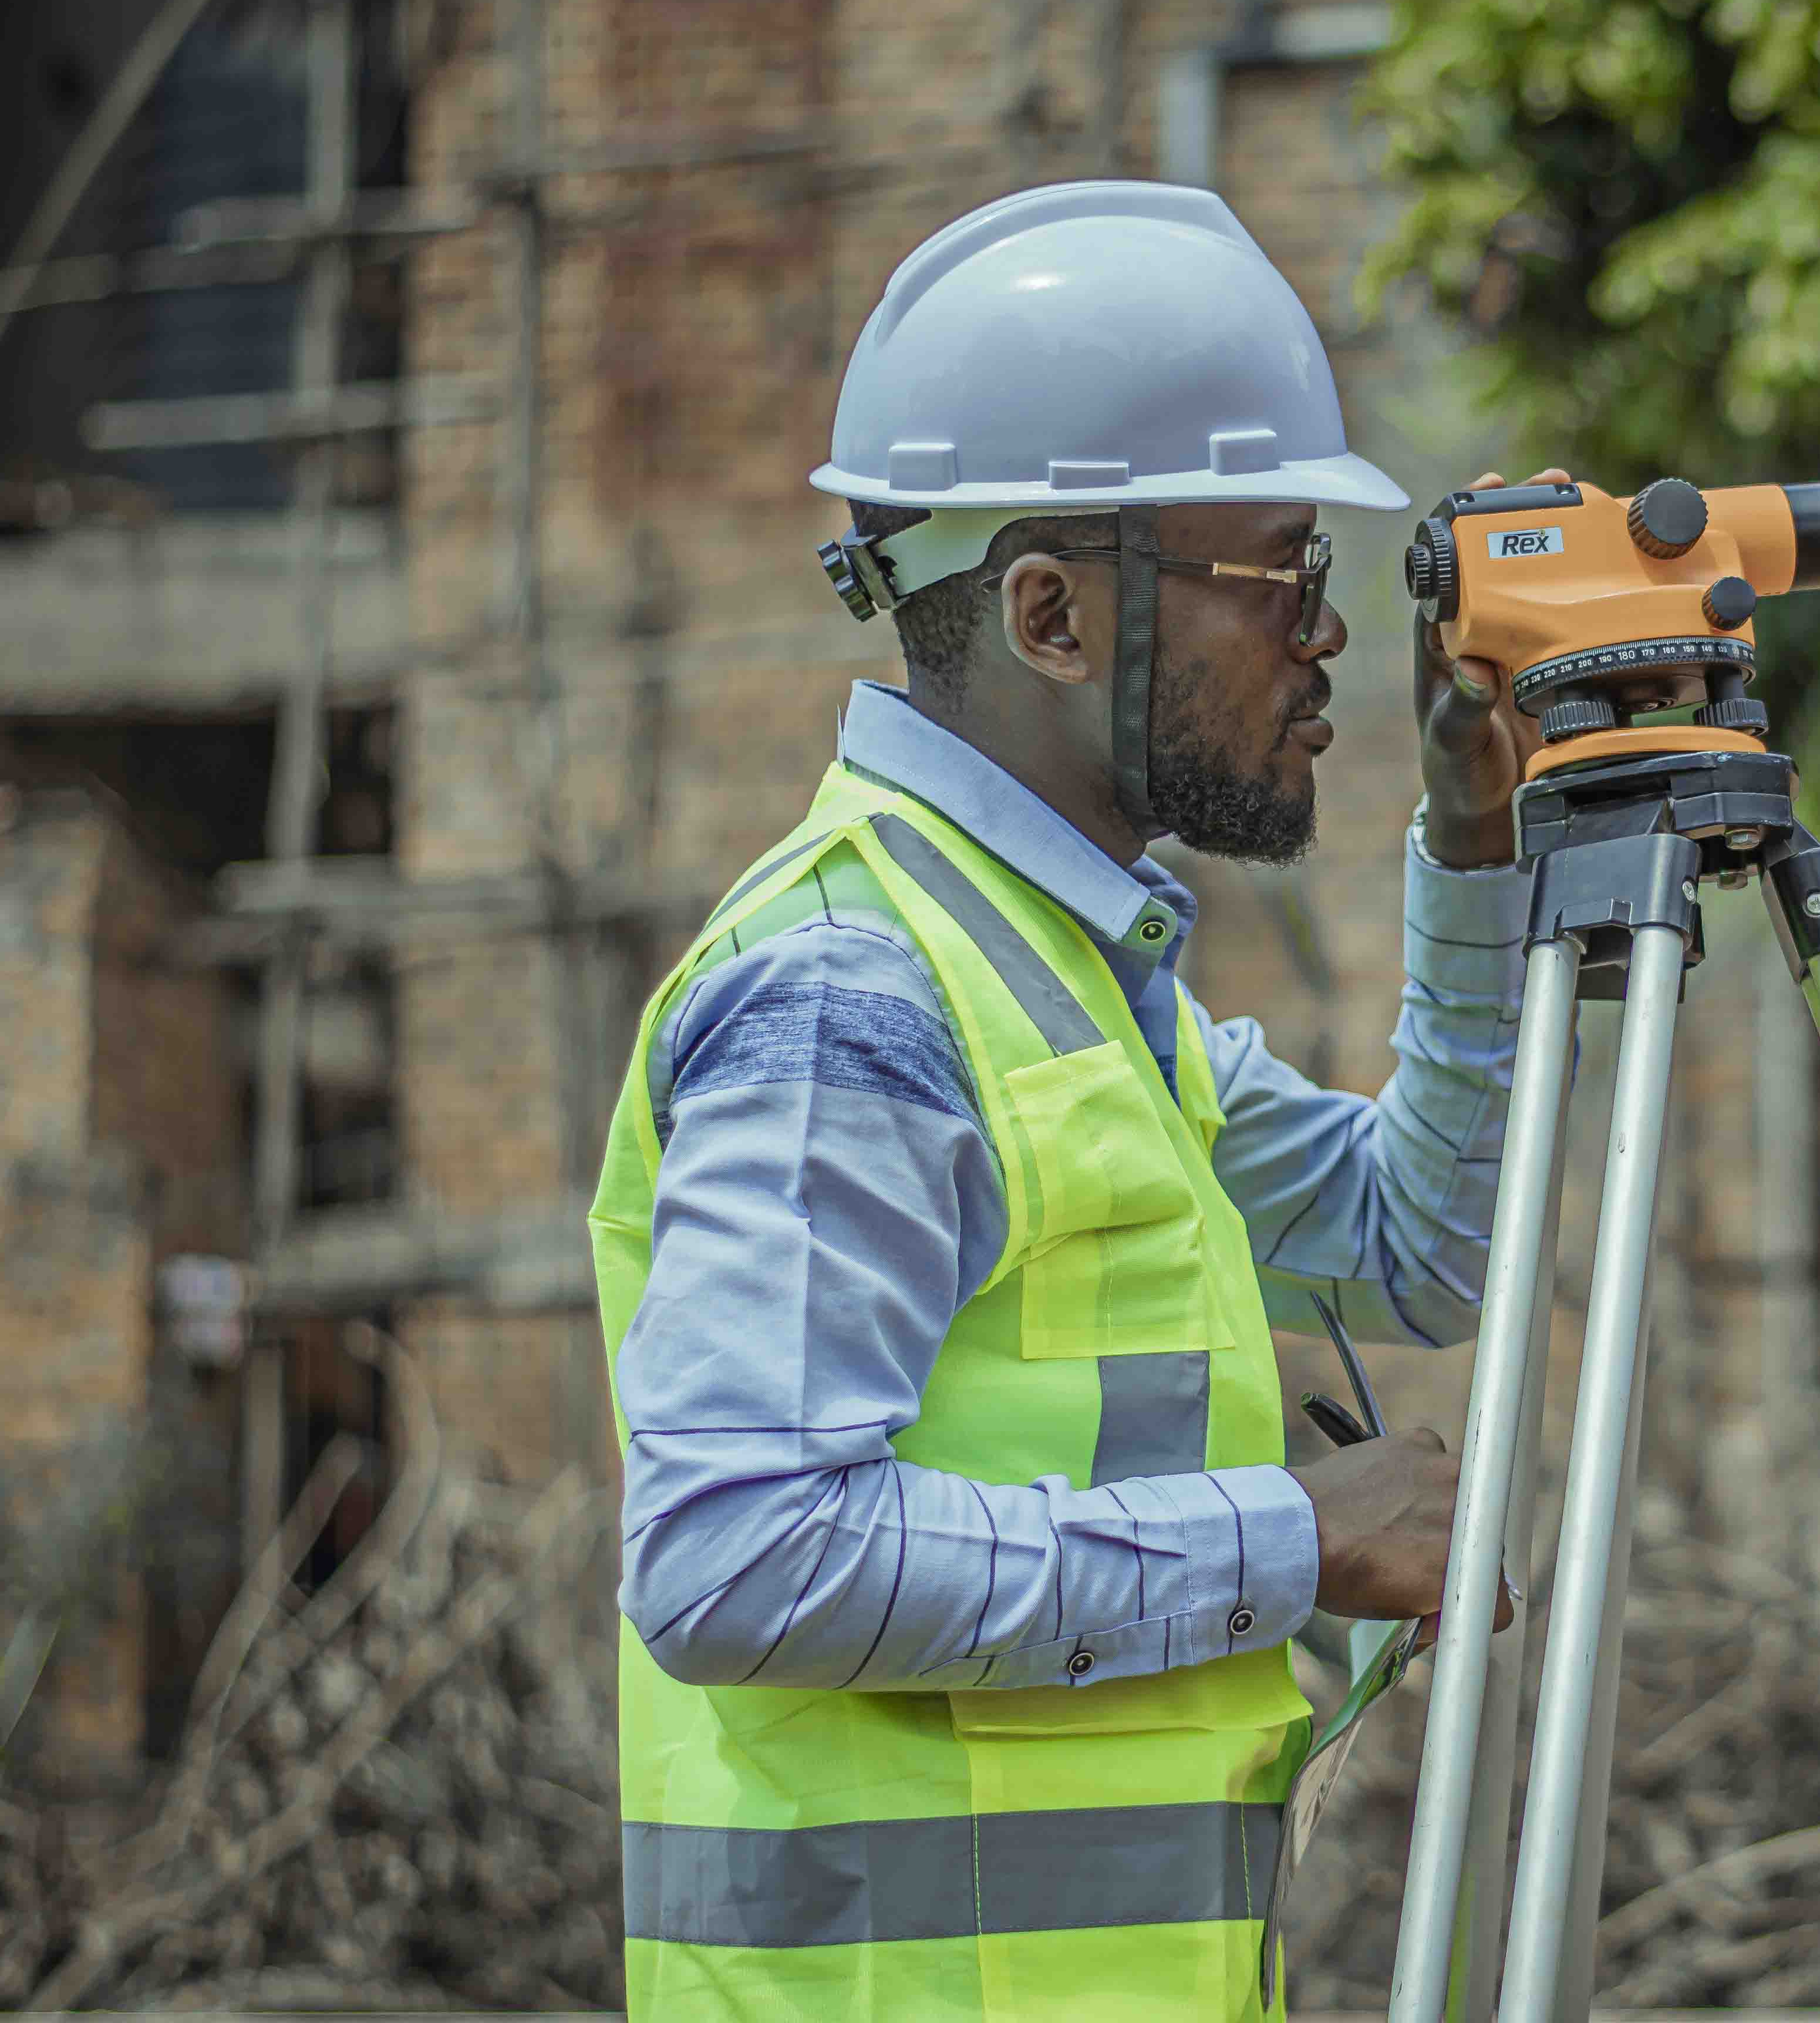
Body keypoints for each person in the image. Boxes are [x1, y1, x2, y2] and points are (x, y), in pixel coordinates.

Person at [584, 182, 1544, 2021]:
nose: (1328, 642)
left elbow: (1436, 1250)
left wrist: (1481, 846)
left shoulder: (1085, 993)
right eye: (1281, 579)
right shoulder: (853, 996)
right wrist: (1299, 1535)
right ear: (1049, 613)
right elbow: (731, 1555)